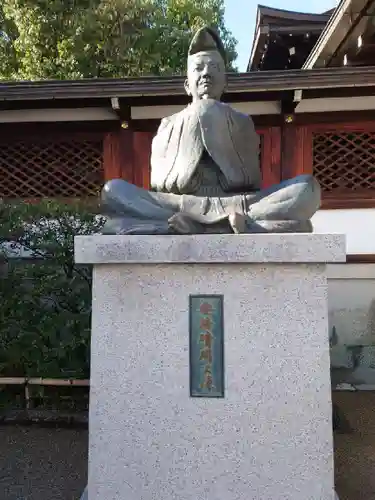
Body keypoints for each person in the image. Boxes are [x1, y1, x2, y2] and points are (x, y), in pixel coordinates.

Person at [101, 26, 320, 235]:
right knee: (113, 191)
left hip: (238, 204)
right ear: (188, 85)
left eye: (214, 68)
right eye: (198, 68)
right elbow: (161, 183)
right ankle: (241, 226)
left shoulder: (242, 121)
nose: (206, 74)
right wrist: (194, 120)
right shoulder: (168, 124)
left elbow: (249, 180)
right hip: (179, 205)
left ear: (225, 83)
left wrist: (213, 117)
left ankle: (178, 227)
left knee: (306, 189)